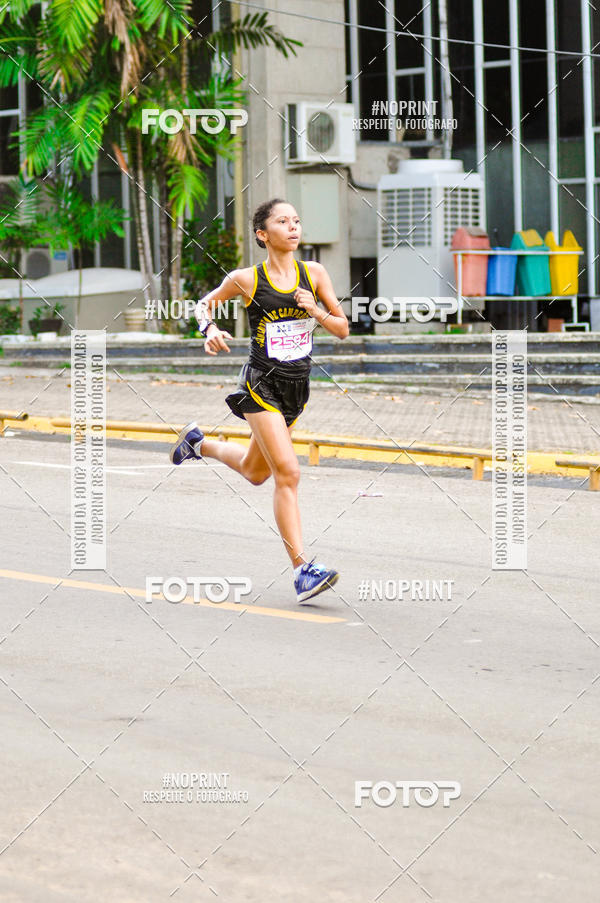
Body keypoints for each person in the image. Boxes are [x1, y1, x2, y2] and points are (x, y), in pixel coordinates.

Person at [169, 198, 349, 603]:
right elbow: (203, 304)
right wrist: (209, 329)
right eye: (283, 222)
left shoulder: (314, 274)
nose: (293, 227)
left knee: (255, 472)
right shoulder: (247, 279)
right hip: (260, 386)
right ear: (263, 234)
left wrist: (315, 310)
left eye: (296, 220)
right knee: (288, 472)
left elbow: (342, 329)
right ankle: (302, 571)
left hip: (295, 389)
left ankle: (197, 443)